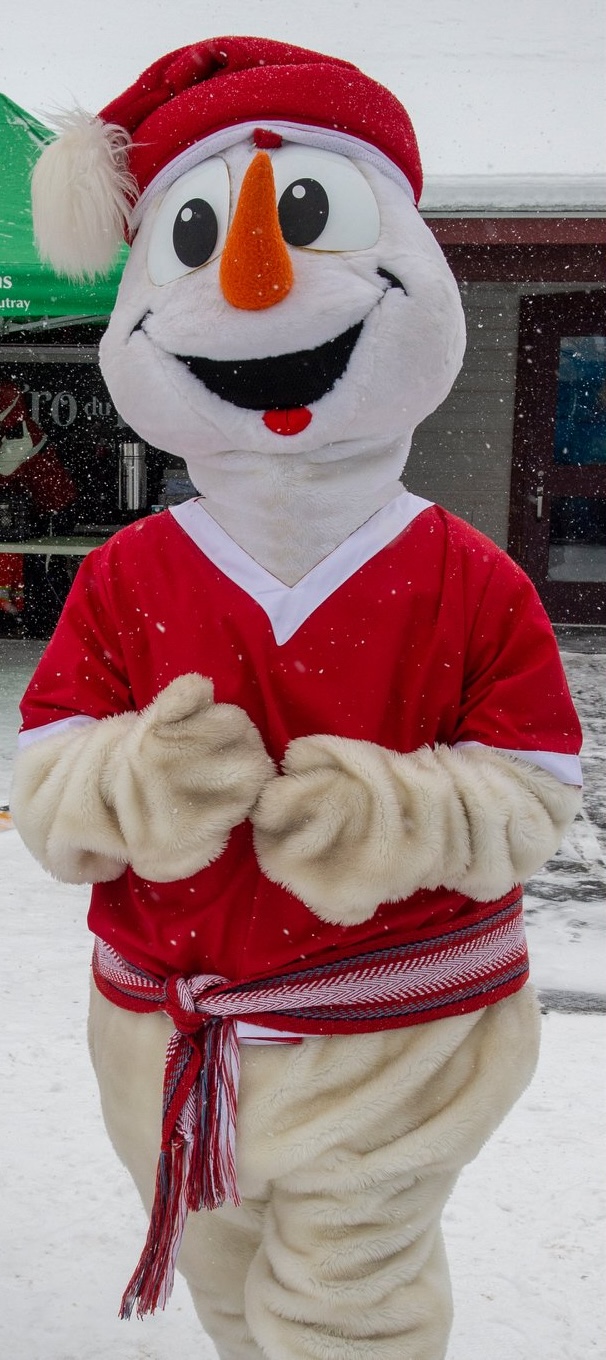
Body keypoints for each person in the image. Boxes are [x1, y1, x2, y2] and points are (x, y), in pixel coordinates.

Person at [11, 37, 582, 1360]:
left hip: (395, 1036)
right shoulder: (128, 575)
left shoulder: (466, 579)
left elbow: (536, 786)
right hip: (167, 1037)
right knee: (231, 1292)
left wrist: (392, 814)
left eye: (306, 221)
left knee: (349, 1320)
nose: (258, 280)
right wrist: (127, 781)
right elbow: (50, 779)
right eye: (202, 242)